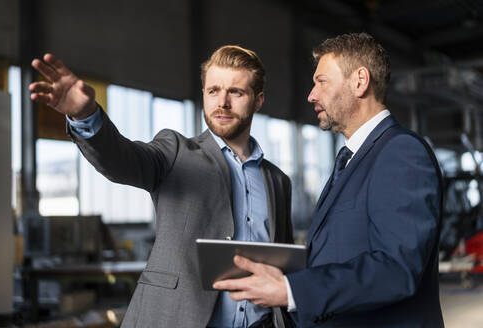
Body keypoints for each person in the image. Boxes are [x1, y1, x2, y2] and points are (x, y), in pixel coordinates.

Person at [29, 45, 295, 328]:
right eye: (213, 91)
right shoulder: (176, 151)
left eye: (236, 93)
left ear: (258, 100)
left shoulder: (277, 181)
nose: (223, 103)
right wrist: (86, 117)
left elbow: (284, 266)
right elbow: (122, 159)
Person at [214, 33, 444, 327]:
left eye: (321, 81)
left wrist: (292, 290)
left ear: (360, 81)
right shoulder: (352, 159)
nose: (311, 95)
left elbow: (396, 268)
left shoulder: (400, 152)